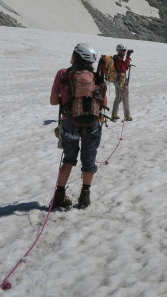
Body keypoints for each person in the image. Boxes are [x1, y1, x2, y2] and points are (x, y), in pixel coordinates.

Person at [50, 43, 107, 209]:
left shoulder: (63, 74)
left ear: (77, 56)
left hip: (70, 123)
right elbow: (103, 103)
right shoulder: (96, 76)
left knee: (68, 160)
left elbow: (53, 101)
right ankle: (85, 196)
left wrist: (68, 100)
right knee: (89, 160)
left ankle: (59, 195)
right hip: (92, 125)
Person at [109, 43, 133, 122]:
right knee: (125, 97)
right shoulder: (118, 59)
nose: (124, 52)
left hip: (119, 79)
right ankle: (127, 116)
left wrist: (127, 59)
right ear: (118, 51)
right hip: (120, 80)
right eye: (122, 50)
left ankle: (114, 114)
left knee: (119, 98)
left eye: (124, 50)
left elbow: (124, 67)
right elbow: (123, 68)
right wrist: (128, 57)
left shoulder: (118, 58)